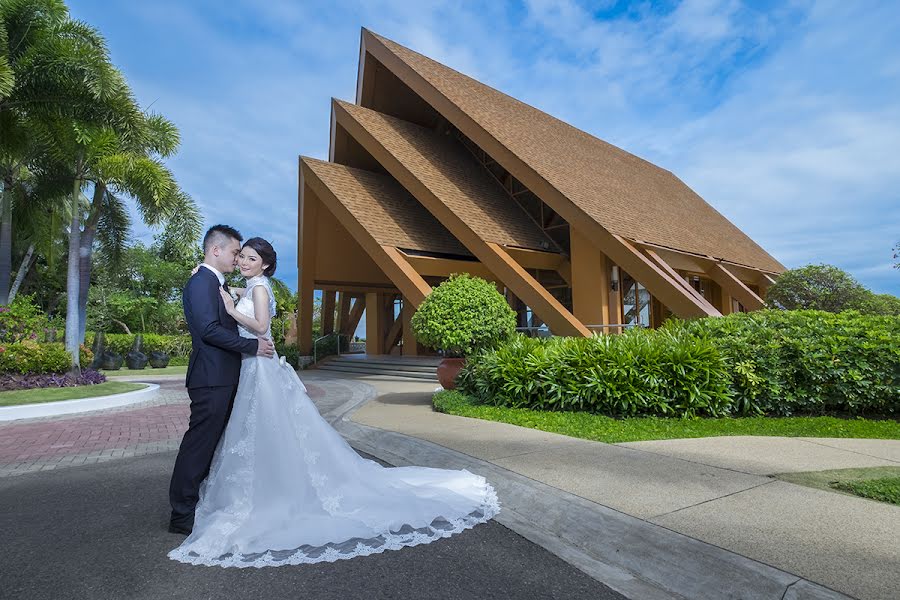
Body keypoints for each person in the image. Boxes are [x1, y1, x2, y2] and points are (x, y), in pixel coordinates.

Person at [168, 237, 499, 567]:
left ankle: (272, 492)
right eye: (241, 256)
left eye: (250, 258)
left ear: (265, 264)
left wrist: (228, 307)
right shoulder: (248, 286)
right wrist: (212, 279)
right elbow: (243, 295)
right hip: (249, 369)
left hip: (258, 364)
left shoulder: (258, 287)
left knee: (266, 428)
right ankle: (256, 489)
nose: (242, 262)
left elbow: (260, 325)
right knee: (260, 430)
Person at [168, 225, 275, 535]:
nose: (237, 258)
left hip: (226, 376)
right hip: (211, 378)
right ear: (216, 250)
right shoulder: (201, 282)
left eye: (243, 255)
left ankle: (197, 502)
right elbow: (208, 330)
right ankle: (182, 513)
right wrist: (252, 345)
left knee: (213, 443)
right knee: (199, 444)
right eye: (234, 252)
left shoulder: (216, 283)